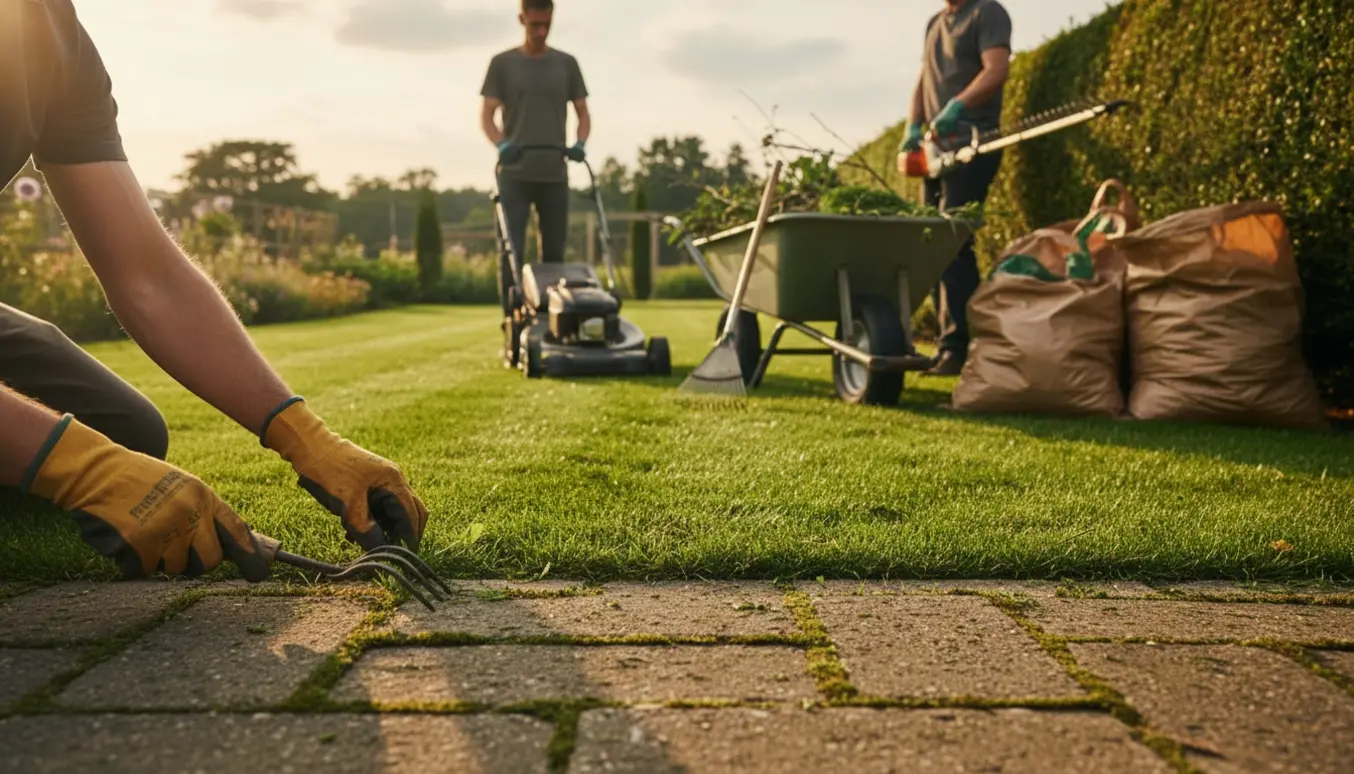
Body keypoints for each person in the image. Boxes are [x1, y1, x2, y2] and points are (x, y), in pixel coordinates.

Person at [0, 0, 428, 583]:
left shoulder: (53, 35)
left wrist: (306, 437)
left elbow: (147, 273)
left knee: (126, 431)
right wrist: (79, 467)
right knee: (78, 452)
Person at [898, 0, 1012, 376]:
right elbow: (923, 78)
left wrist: (957, 106)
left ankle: (959, 348)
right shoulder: (935, 22)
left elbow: (996, 70)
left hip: (972, 143)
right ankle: (947, 344)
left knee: (954, 244)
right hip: (935, 151)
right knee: (933, 244)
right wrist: (912, 126)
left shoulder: (986, 12)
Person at [479, 0, 591, 273]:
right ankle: (512, 301)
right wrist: (501, 143)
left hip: (554, 173)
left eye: (546, 25)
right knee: (510, 250)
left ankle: (550, 301)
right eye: (535, 25)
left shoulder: (566, 64)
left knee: (554, 254)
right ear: (522, 19)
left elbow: (583, 113)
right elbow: (487, 115)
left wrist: (579, 143)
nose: (541, 31)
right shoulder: (503, 63)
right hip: (514, 173)